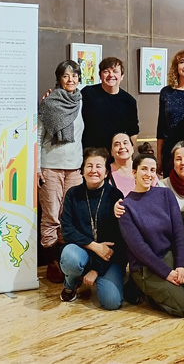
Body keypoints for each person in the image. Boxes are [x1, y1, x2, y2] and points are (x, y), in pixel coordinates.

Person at [119, 154, 184, 317]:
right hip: (145, 266)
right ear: (134, 172)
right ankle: (147, 293)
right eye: (144, 169)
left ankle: (175, 288)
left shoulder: (166, 194)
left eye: (152, 170)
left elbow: (178, 231)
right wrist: (167, 273)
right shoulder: (126, 207)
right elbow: (139, 249)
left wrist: (181, 265)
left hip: (168, 254)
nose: (149, 174)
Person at [58, 148, 126, 309]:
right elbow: (67, 230)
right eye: (89, 166)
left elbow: (118, 240)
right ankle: (71, 282)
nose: (93, 170)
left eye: (98, 166)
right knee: (70, 257)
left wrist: (96, 270)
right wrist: (94, 246)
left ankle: (100, 275)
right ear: (82, 170)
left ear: (107, 172)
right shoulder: (73, 194)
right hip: (82, 250)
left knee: (111, 302)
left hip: (108, 256)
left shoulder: (115, 196)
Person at [38, 60, 85, 283]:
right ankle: (52, 262)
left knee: (69, 217)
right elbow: (39, 135)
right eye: (66, 76)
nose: (70, 79)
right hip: (50, 167)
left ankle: (66, 261)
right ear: (59, 78)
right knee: (51, 216)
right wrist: (37, 167)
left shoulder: (82, 101)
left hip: (74, 168)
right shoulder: (49, 103)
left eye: (74, 75)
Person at [81, 57, 139, 149]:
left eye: (115, 71)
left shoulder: (129, 101)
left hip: (115, 153)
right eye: (106, 71)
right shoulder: (87, 93)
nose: (111, 75)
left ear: (122, 76)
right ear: (100, 75)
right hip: (90, 153)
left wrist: (129, 154)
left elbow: (133, 132)